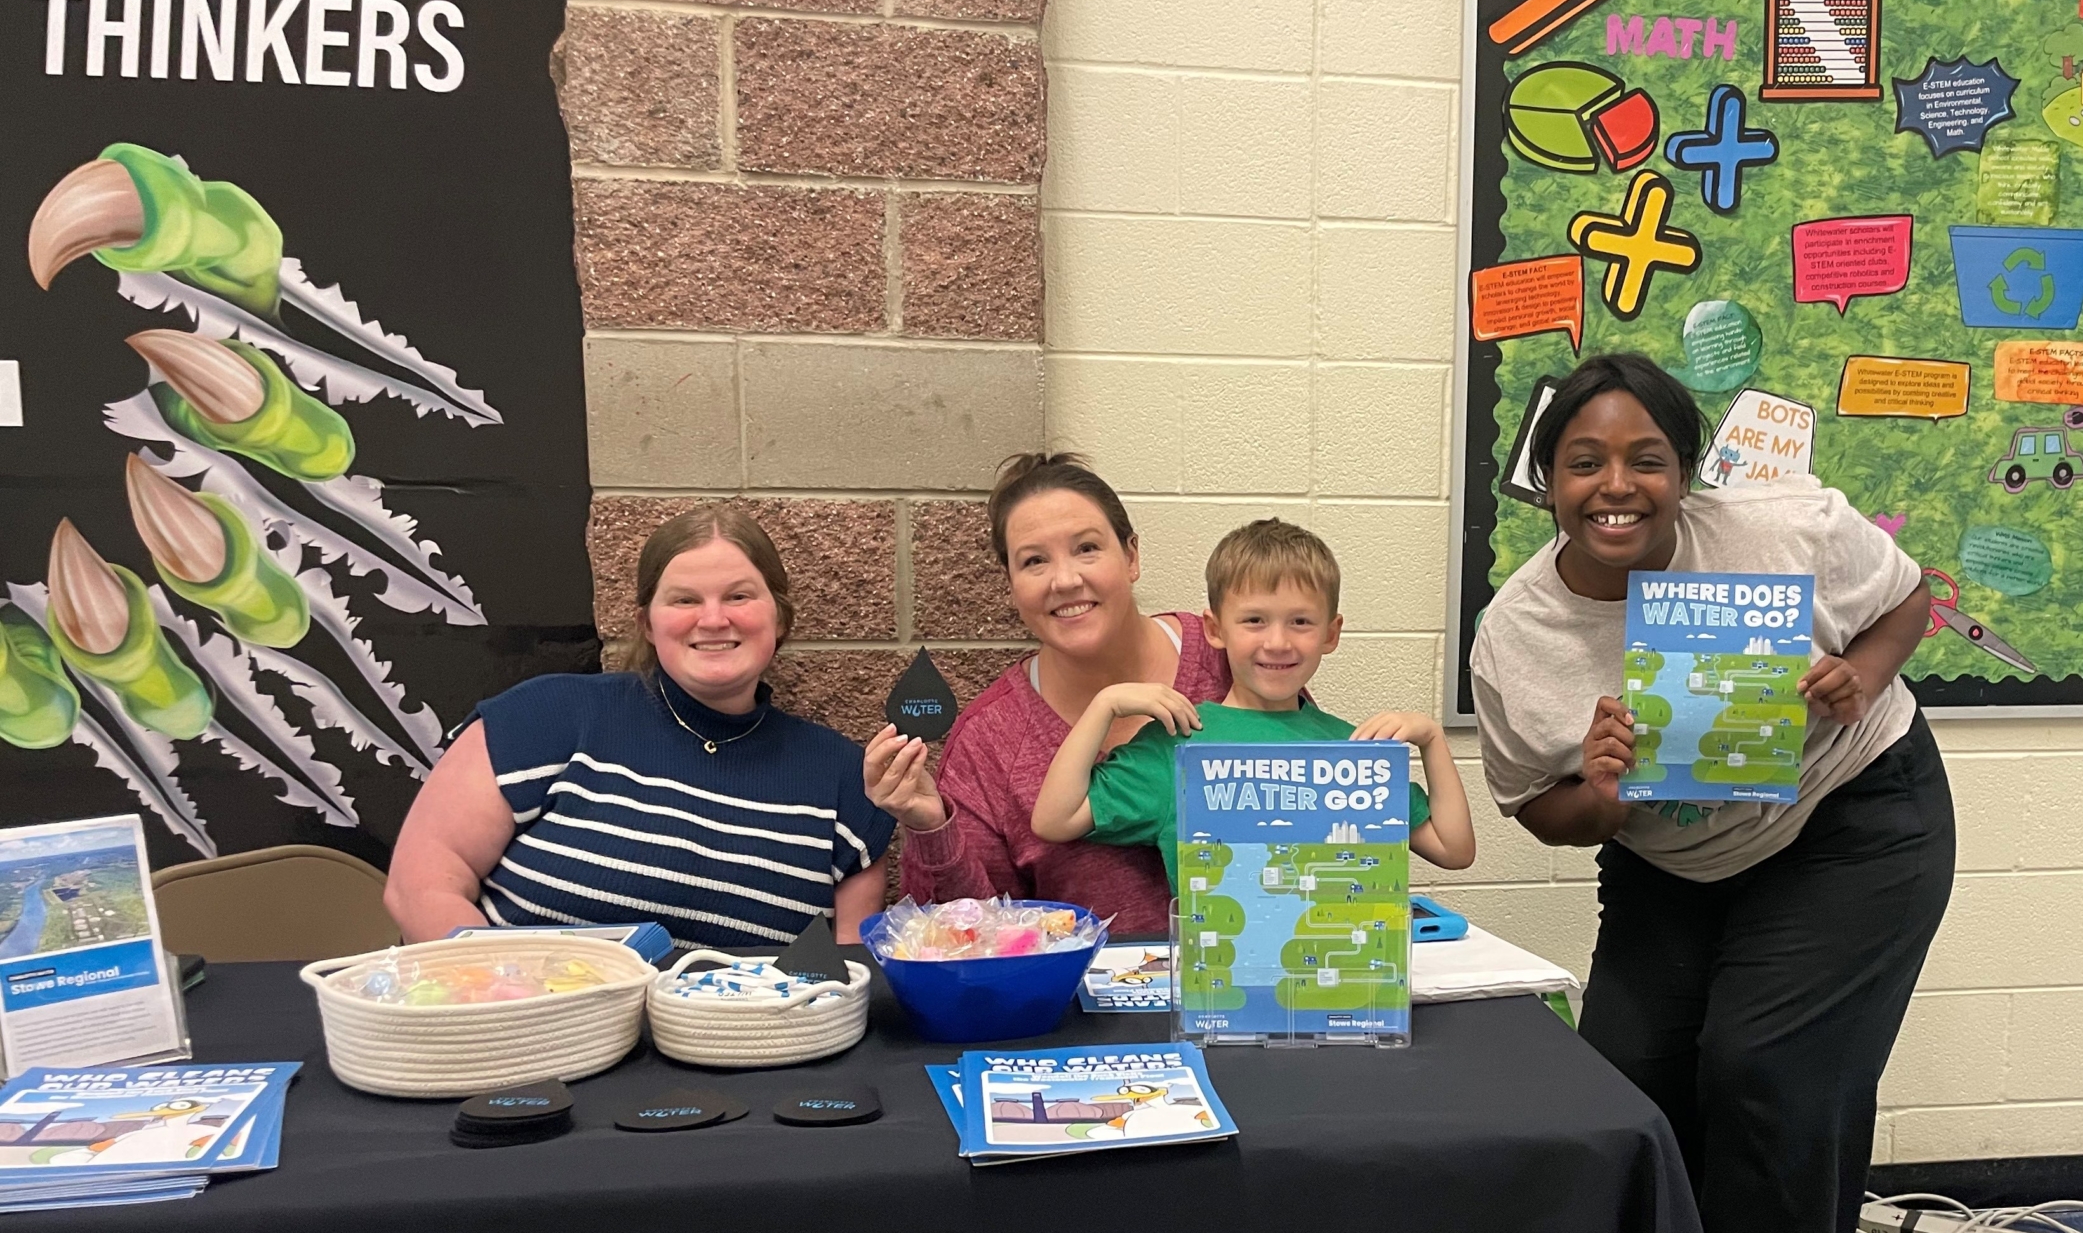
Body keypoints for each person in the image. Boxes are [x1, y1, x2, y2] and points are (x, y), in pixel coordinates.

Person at [1469, 353, 1954, 1233]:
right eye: (1583, 461)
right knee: (1623, 1079)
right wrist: (1593, 794)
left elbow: (1906, 597)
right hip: (1670, 857)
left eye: (1647, 459)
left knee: (1764, 1069)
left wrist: (1863, 674)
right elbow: (1535, 808)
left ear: (1688, 473)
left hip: (1848, 824)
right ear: (1545, 480)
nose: (1616, 485)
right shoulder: (1517, 633)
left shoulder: (1782, 530)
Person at [385, 501, 902, 948]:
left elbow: (848, 970)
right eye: (684, 600)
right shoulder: (545, 717)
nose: (714, 618)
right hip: (525, 1037)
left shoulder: (844, 780)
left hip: (747, 1052)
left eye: (739, 596)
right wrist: (499, 992)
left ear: (780, 618)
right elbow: (421, 884)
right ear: (647, 625)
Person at [871, 454, 1233, 936]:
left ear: (1131, 557)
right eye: (1034, 561)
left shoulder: (1228, 657)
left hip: (1252, 994)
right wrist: (930, 827)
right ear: (1011, 585)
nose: (1064, 580)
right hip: (1075, 1007)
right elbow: (963, 941)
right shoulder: (989, 743)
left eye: (1086, 548)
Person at [1030, 517, 1475, 880]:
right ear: (1216, 629)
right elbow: (1054, 819)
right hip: (1219, 982)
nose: (1278, 642)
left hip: (1337, 976)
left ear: (1331, 634)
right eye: (1255, 621)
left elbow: (1454, 850)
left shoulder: (1352, 750)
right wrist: (1104, 706)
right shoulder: (1179, 746)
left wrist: (1432, 740)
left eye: (1300, 621)